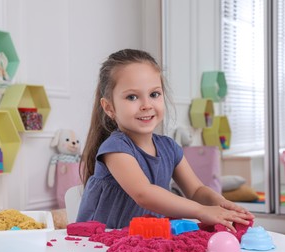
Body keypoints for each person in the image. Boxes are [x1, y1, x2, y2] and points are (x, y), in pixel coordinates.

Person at [76, 49, 254, 230]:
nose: (146, 105)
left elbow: (196, 190)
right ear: (109, 108)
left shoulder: (169, 148)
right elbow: (143, 194)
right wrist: (201, 211)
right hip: (100, 243)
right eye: (132, 97)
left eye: (154, 94)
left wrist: (221, 204)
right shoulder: (115, 149)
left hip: (142, 242)